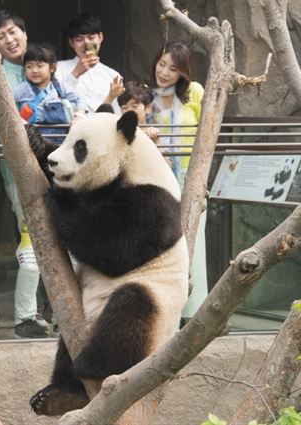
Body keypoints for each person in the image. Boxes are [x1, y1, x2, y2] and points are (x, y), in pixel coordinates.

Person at [0, 10, 50, 338]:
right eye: (1, 35)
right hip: (20, 174)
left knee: (50, 244)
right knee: (31, 242)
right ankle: (25, 316)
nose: (10, 39)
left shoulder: (46, 67)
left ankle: (39, 313)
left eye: (13, 32)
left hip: (56, 170)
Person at [147, 41, 207, 322]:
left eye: (173, 68)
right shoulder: (149, 96)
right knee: (164, 243)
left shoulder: (194, 92)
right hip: (159, 179)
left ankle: (192, 313)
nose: (165, 72)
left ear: (184, 72)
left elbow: (207, 131)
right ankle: (167, 311)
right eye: (162, 64)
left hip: (190, 177)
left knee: (193, 240)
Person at [55, 13, 123, 116]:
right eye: (79, 39)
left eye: (91, 38)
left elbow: (117, 113)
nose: (86, 43)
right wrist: (75, 74)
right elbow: (55, 102)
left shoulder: (112, 75)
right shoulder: (58, 68)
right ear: (71, 42)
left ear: (100, 37)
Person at [14, 43, 82, 136]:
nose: (34, 70)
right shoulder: (21, 89)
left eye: (39, 66)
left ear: (52, 67)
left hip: (61, 141)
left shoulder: (59, 87)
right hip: (33, 142)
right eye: (29, 66)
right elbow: (6, 105)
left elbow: (79, 100)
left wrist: (78, 116)